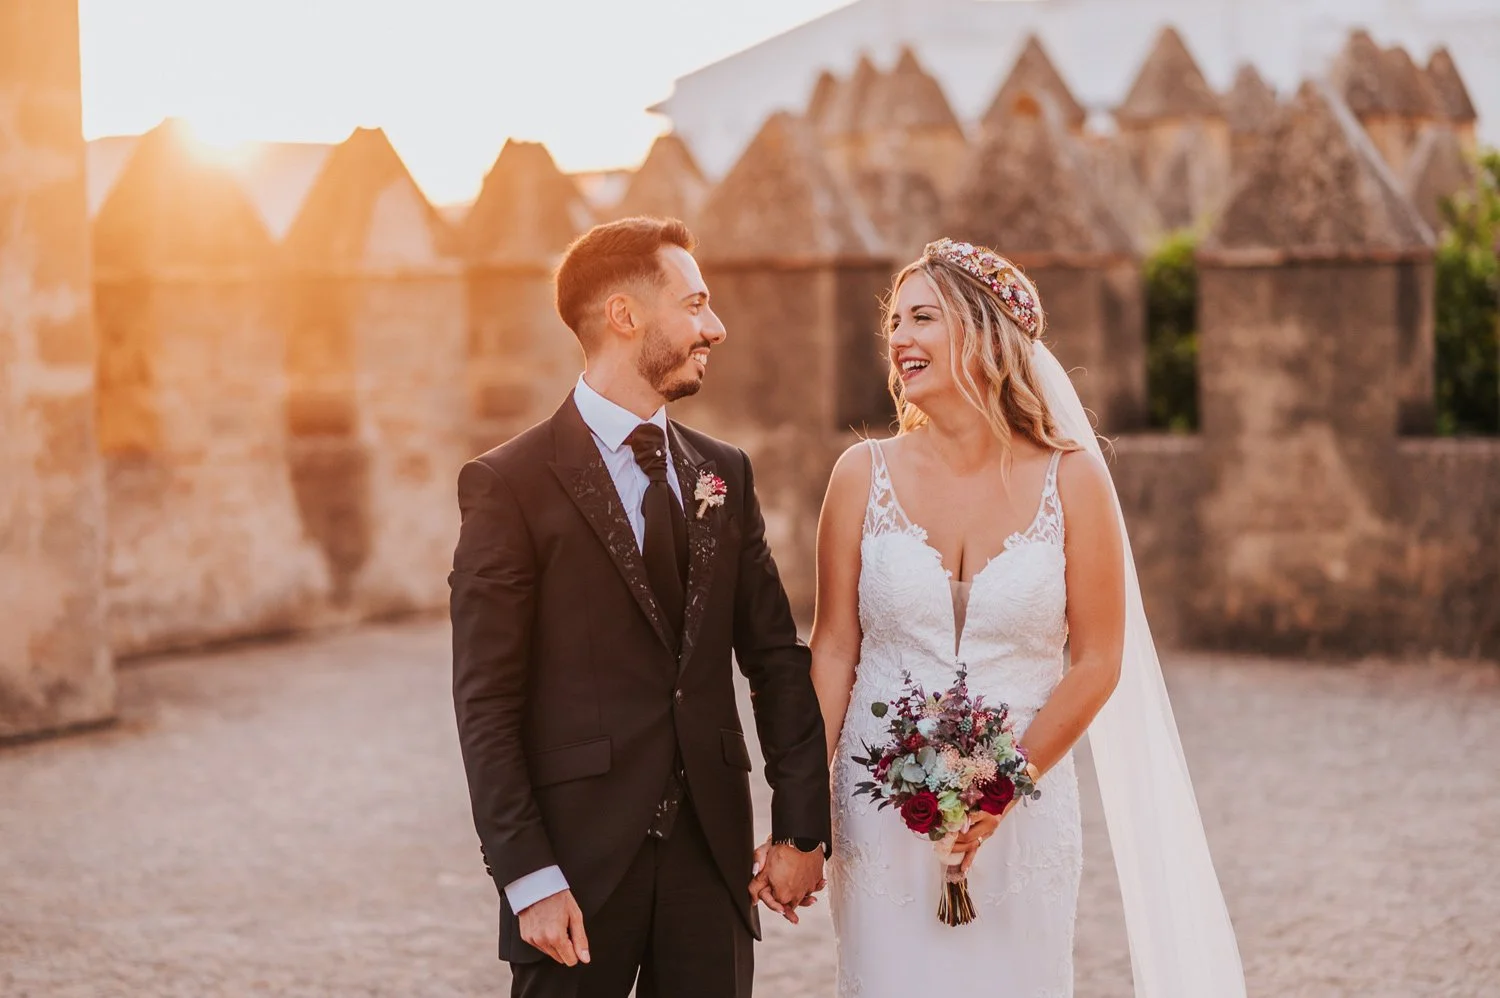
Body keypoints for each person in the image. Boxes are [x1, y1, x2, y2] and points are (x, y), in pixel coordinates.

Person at [806, 238, 1245, 996]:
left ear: (982, 331)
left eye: (922, 318)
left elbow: (1099, 660)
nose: (899, 339)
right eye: (894, 326)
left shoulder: (1073, 479)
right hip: (878, 808)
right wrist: (805, 805)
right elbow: (834, 647)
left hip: (1022, 801)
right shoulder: (858, 475)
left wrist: (999, 788)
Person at [449, 216, 831, 998]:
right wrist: (527, 876)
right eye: (694, 305)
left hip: (709, 865)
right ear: (625, 316)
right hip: (575, 869)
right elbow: (485, 699)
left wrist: (801, 827)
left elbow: (773, 658)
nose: (714, 328)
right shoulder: (508, 485)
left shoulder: (725, 473)